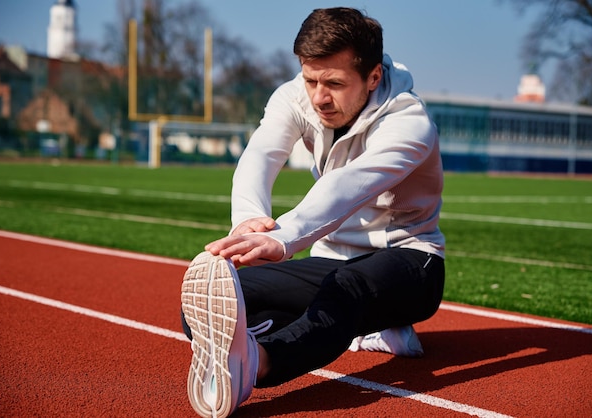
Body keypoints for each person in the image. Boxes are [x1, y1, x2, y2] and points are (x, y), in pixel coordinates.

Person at [180, 7, 445, 417]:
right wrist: (248, 219)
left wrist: (282, 237)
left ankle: (257, 364)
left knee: (345, 289)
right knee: (224, 295)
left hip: (411, 262)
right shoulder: (294, 96)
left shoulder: (409, 122)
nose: (319, 97)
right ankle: (355, 329)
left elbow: (347, 186)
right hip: (330, 260)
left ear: (373, 76)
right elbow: (260, 155)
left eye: (335, 83)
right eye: (310, 80)